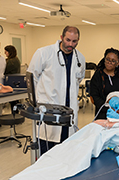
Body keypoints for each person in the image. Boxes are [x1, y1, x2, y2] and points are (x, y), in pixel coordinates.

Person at [11, 60, 119, 180]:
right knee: (93, 130)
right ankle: (57, 161)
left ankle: (65, 162)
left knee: (99, 130)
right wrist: (114, 98)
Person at [27, 26, 86, 154]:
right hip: (49, 110)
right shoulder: (44, 53)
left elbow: (79, 79)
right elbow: (31, 78)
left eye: (74, 41)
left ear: (78, 40)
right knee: (47, 150)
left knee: (66, 151)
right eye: (68, 40)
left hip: (68, 112)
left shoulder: (79, 58)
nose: (70, 44)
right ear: (61, 37)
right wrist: (37, 102)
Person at [90, 48, 119, 120]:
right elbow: (94, 96)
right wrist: (108, 108)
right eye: (107, 59)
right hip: (103, 115)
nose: (109, 62)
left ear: (118, 63)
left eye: (113, 61)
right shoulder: (98, 75)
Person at [4, 45, 21, 113]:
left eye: (6, 52)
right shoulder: (16, 59)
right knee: (15, 101)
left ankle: (14, 115)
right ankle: (15, 114)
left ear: (9, 52)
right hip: (16, 81)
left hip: (11, 82)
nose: (5, 53)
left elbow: (5, 71)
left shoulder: (10, 61)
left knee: (13, 101)